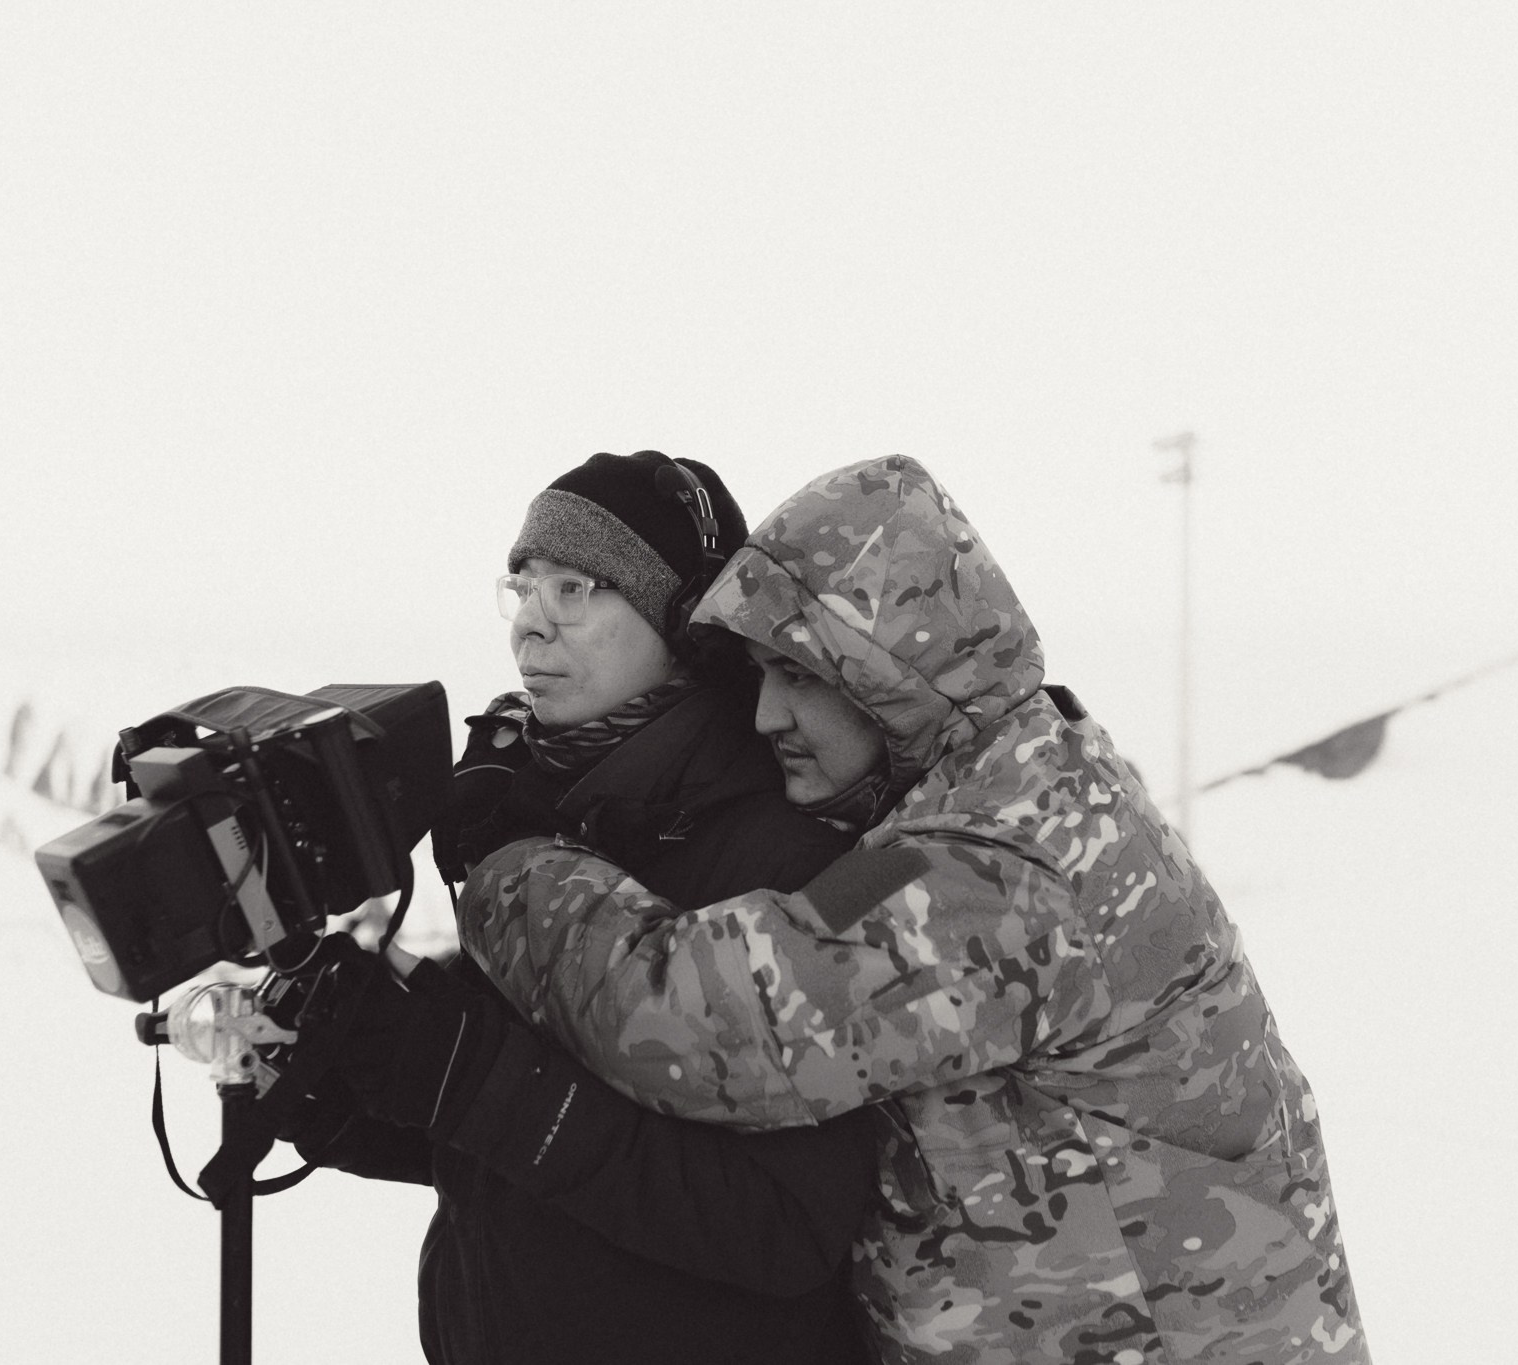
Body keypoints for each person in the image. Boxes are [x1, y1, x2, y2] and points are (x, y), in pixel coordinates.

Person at [457, 455, 1370, 1364]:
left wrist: (508, 860)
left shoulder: (1002, 863)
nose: (767, 714)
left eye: (802, 675)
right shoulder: (997, 783)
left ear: (895, 671)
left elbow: (697, 1021)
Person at [282, 451, 879, 1365]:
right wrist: (359, 1083)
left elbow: (782, 1225)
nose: (530, 627)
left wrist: (468, 1078)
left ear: (686, 627)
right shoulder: (534, 827)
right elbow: (537, 1156)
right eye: (522, 587)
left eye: (575, 588)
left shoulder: (784, 863)